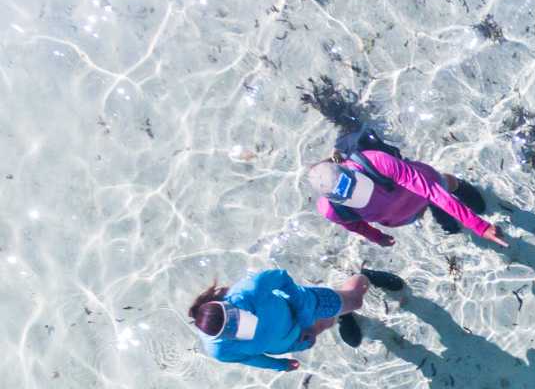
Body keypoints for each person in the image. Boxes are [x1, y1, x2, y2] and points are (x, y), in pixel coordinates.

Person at [187, 268, 402, 371]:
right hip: (292, 339)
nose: (242, 326)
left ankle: (366, 276)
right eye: (235, 331)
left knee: (355, 301)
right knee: (326, 324)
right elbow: (247, 358)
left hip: (303, 305)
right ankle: (340, 317)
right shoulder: (219, 351)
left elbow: (282, 278)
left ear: (229, 305)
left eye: (239, 318)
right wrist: (278, 364)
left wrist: (306, 319)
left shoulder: (251, 289)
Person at [307, 146, 507, 248]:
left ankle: (460, 188)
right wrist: (377, 237)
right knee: (429, 209)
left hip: (423, 188)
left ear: (345, 167)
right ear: (335, 200)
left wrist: (479, 225)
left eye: (356, 186)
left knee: (445, 185)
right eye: (352, 196)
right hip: (403, 217)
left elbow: (431, 189)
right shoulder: (332, 211)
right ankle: (439, 212)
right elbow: (355, 225)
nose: (362, 195)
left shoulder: (376, 161)